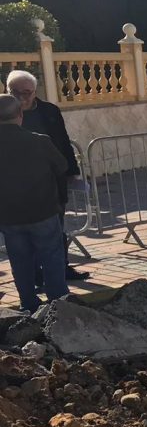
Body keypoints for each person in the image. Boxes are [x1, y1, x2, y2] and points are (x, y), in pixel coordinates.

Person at [6, 71, 89, 282]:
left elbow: (62, 141)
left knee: (56, 230)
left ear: (35, 92)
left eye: (26, 92)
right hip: (15, 188)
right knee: (24, 238)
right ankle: (35, 276)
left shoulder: (49, 111)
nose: (21, 97)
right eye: (15, 92)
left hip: (50, 185)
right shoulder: (3, 112)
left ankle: (62, 270)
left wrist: (72, 172)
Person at [0, 94, 69, 312]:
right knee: (52, 257)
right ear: (20, 114)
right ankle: (58, 304)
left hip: (9, 215)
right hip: (43, 211)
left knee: (20, 261)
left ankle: (28, 302)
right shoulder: (39, 141)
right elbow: (62, 166)